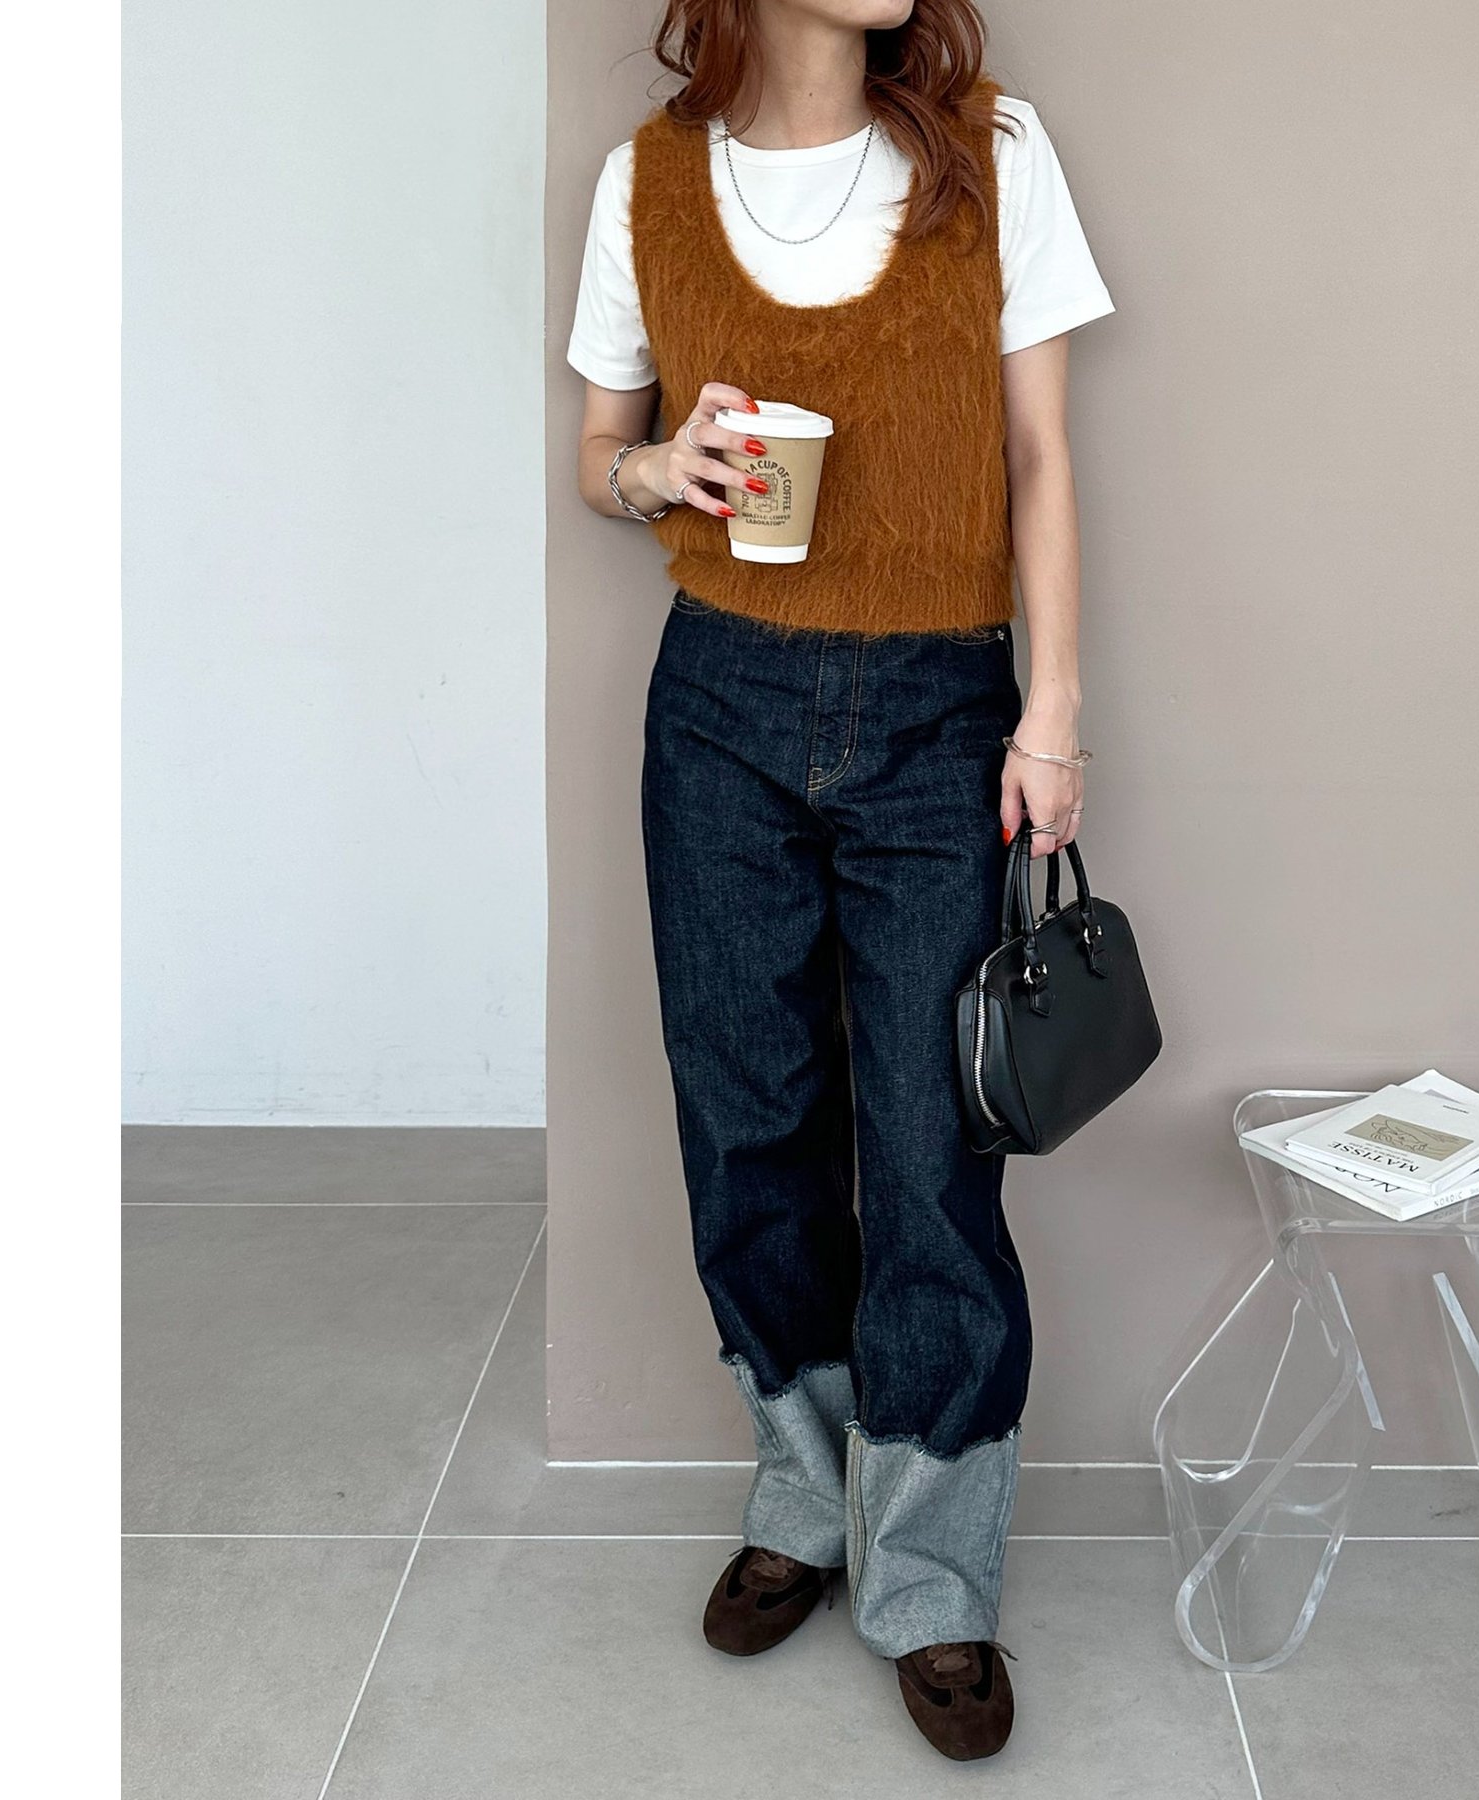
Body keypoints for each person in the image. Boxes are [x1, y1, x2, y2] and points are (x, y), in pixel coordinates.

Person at [569, 0, 1113, 1762]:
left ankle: (935, 1574)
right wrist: (658, 468)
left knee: (931, 1148)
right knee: (748, 1118)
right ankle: (803, 1498)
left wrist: (1052, 715)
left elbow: (1041, 455)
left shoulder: (992, 153)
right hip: (717, 701)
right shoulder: (647, 183)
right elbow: (598, 455)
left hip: (942, 705)